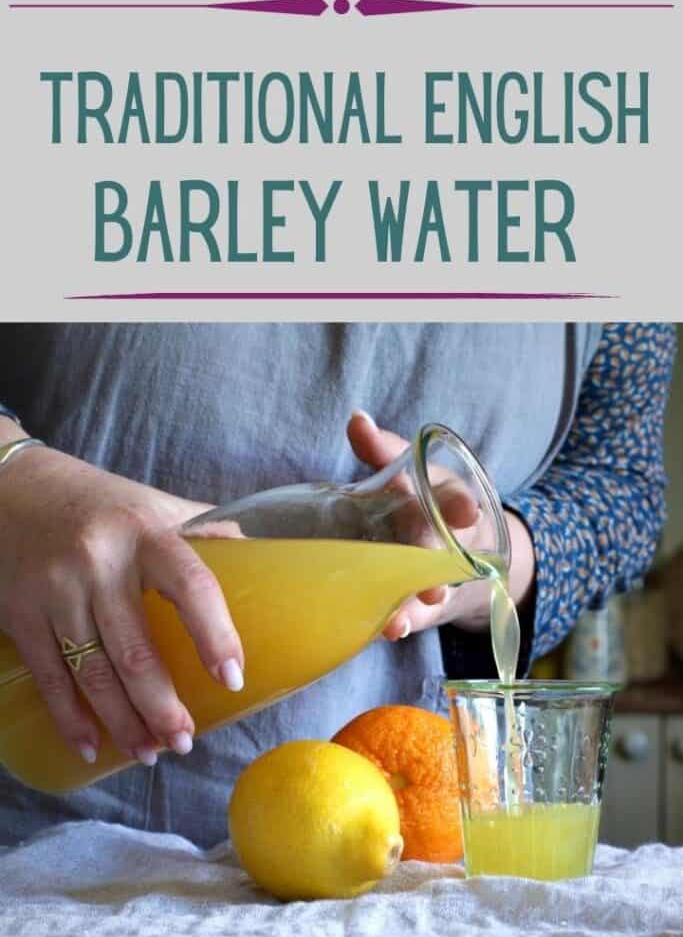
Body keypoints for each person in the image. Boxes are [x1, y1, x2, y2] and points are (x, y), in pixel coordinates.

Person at [0, 322, 676, 846]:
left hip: (390, 839)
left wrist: (473, 558)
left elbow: (618, 488)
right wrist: (17, 480)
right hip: (38, 837)